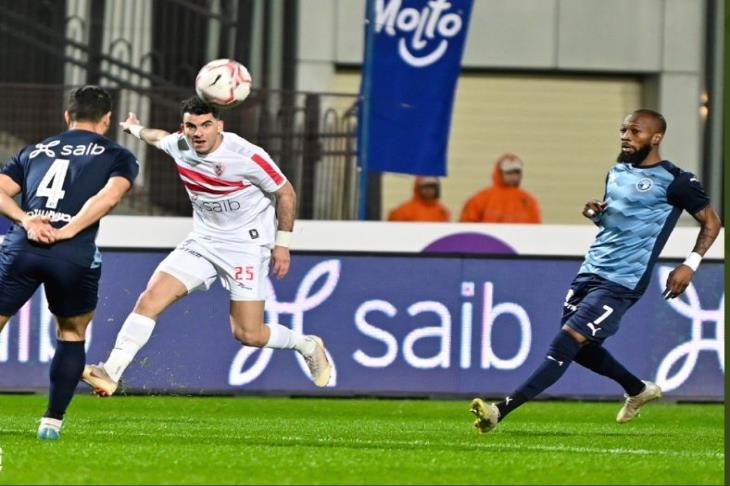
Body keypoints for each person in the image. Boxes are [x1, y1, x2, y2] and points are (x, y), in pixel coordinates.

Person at [470, 109, 721, 433]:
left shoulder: (677, 180)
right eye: (623, 130)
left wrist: (690, 264)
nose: (626, 136)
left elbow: (711, 222)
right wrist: (598, 215)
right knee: (580, 349)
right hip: (590, 270)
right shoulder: (616, 171)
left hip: (623, 280)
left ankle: (498, 411)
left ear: (656, 137)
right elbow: (619, 221)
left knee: (566, 341)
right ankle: (637, 389)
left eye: (635, 131)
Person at [81, 96, 331, 396]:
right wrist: (134, 129)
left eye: (206, 125)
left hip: (246, 247)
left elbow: (286, 193)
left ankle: (306, 345)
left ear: (219, 126)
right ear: (183, 128)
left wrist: (282, 245)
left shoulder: (247, 155)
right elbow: (157, 137)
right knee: (150, 299)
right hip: (203, 241)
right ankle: (111, 371)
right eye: (192, 126)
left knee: (248, 334)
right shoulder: (180, 145)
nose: (198, 133)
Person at [0, 86, 139, 439]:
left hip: (24, 246)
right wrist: (68, 230)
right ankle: (51, 423)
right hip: (73, 254)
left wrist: (27, 219)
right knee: (72, 334)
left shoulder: (35, 150)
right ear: (106, 120)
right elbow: (110, 197)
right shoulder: (118, 155)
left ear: (68, 116)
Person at [459, 153, 541, 223]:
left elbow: (536, 227)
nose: (513, 175)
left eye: (516, 172)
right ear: (499, 173)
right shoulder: (482, 198)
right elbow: (467, 223)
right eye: (509, 172)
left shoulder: (528, 201)